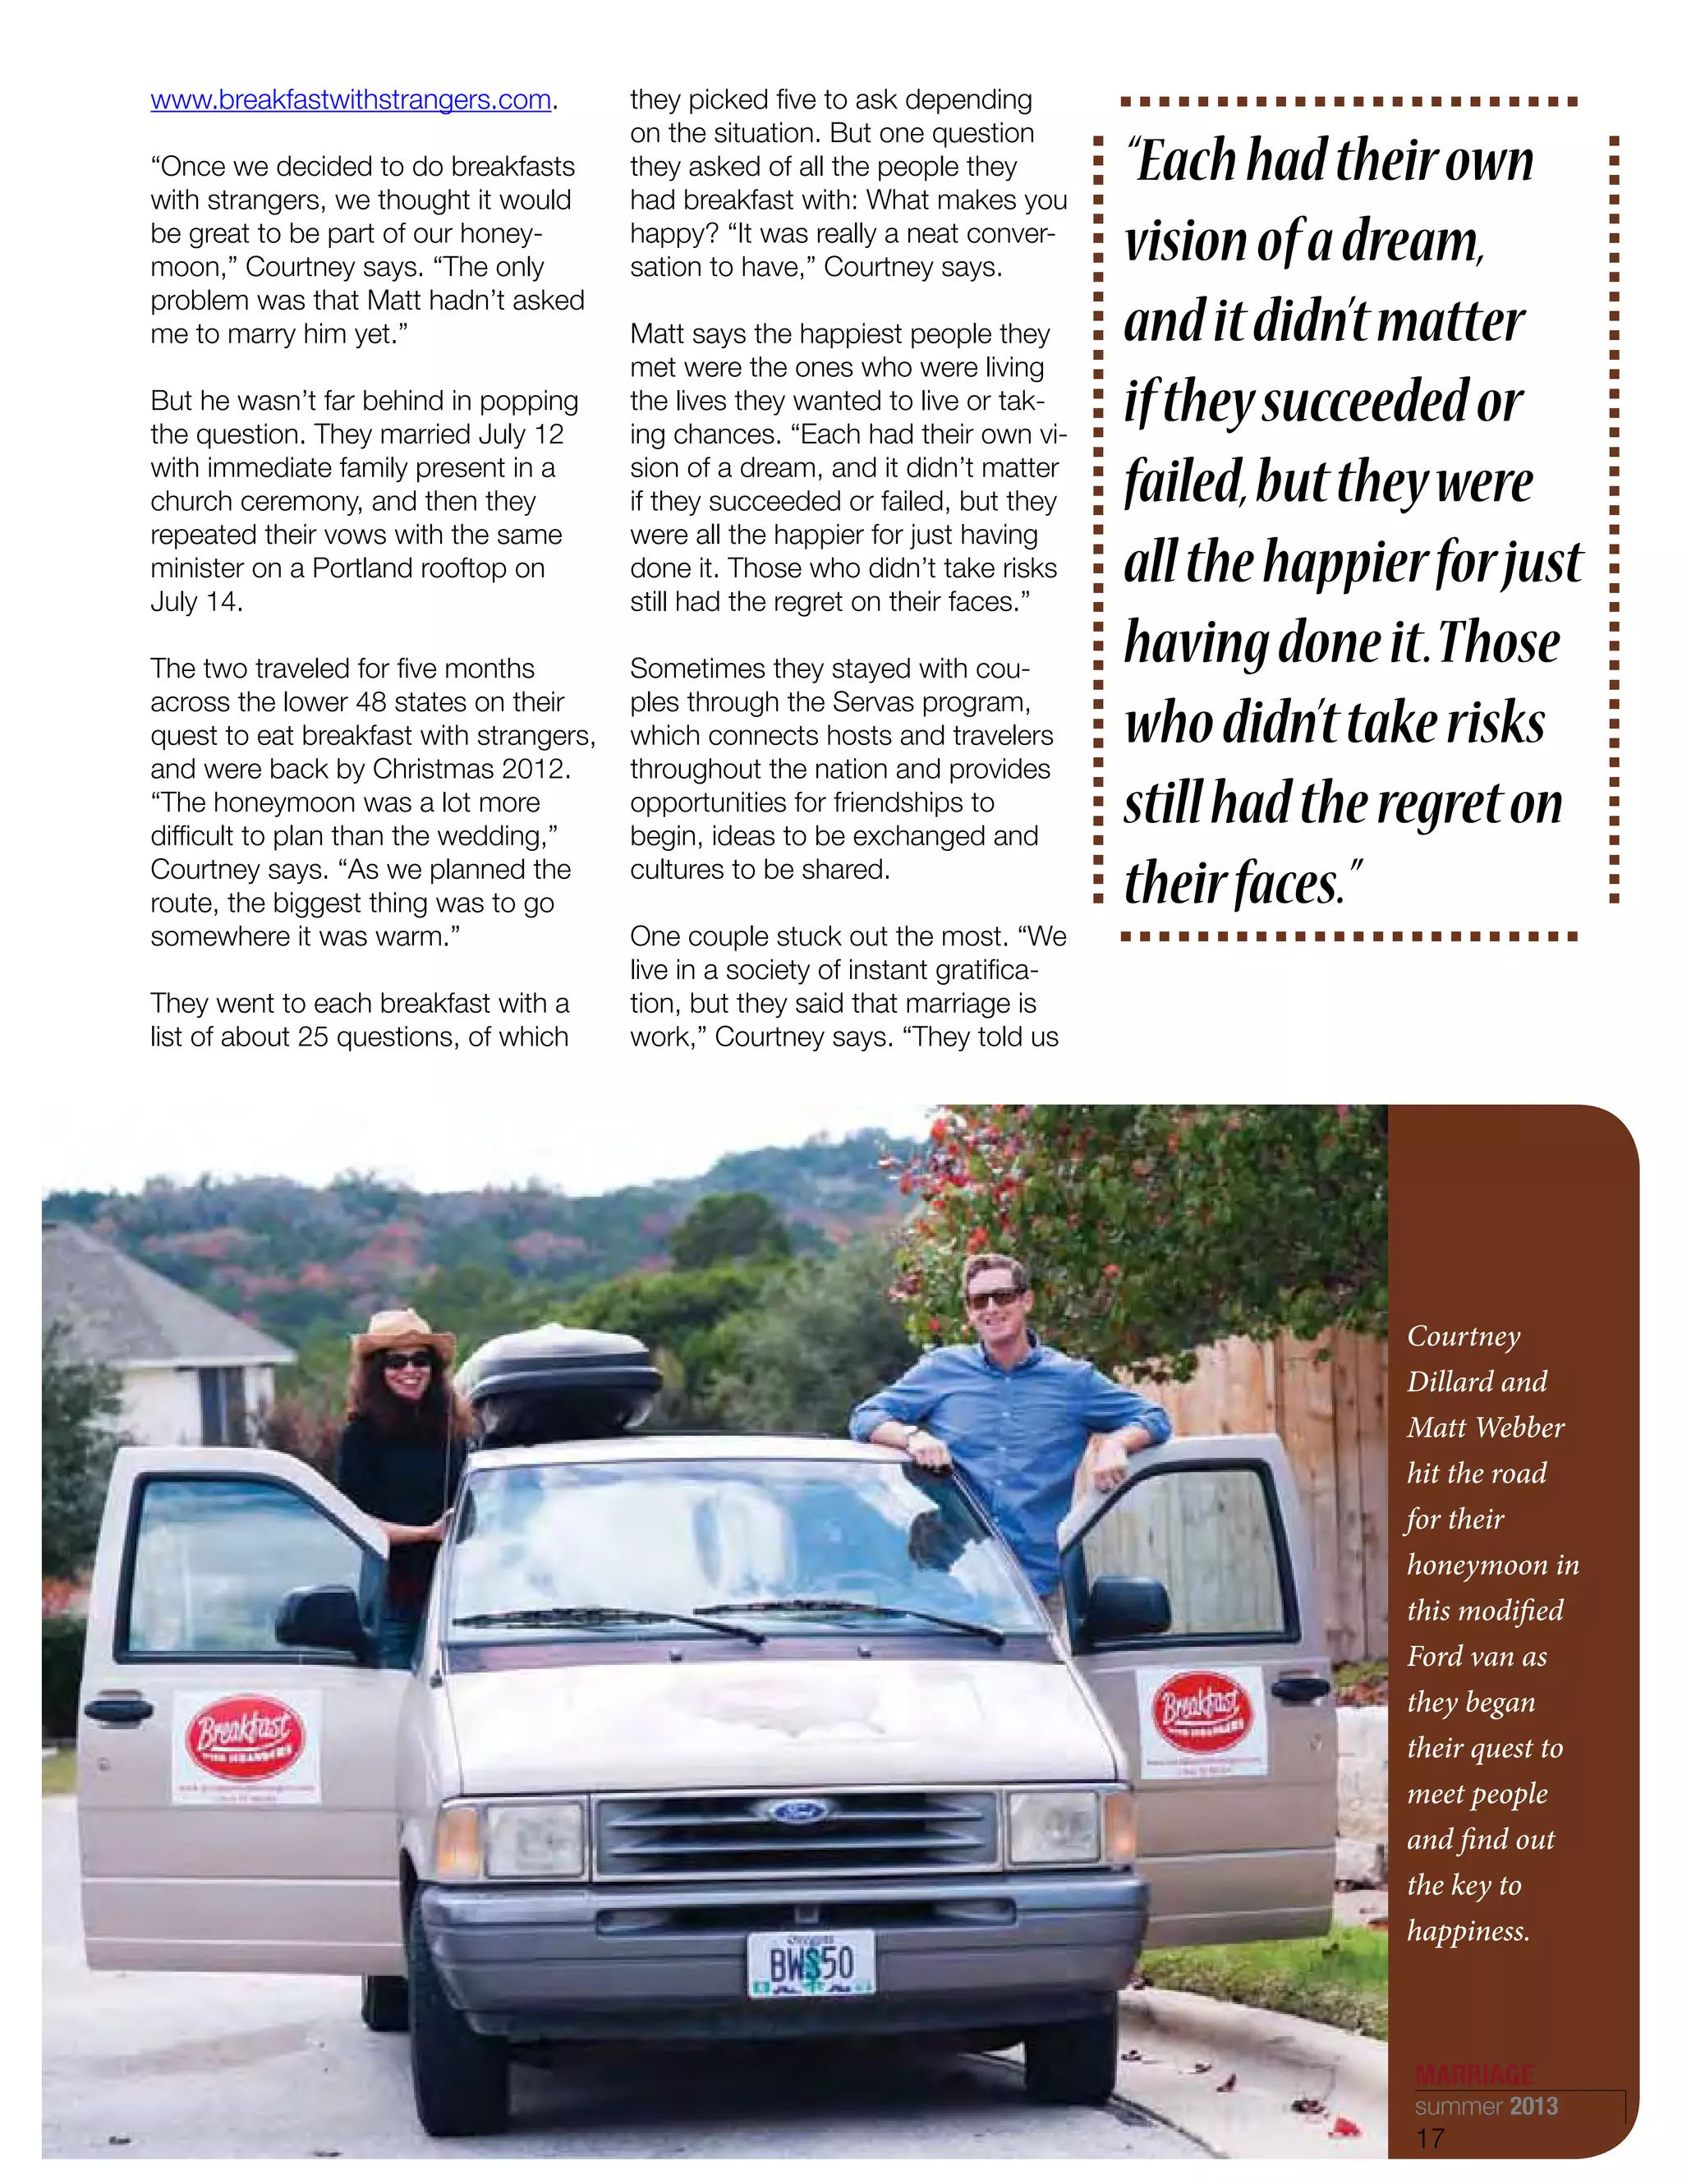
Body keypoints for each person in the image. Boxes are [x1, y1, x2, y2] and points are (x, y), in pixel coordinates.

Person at [849, 1253, 1171, 1630]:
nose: (991, 1308)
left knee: (1031, 1691)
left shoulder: (1074, 1381)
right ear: (969, 1312)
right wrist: (912, 1436)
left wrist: (1117, 1444)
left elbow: (1155, 1419)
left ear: (1026, 1300)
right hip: (946, 1582)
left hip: (1033, 1590)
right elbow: (865, 1417)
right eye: (978, 1301)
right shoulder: (941, 1370)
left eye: (1002, 1296)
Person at [336, 1308, 472, 1667]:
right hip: (394, 1599)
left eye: (420, 1360)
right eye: (397, 1362)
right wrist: (427, 1534)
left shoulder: (453, 1429)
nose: (410, 1371)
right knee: (396, 1700)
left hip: (458, 1596)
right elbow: (351, 1523)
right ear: (377, 1371)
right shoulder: (361, 1436)